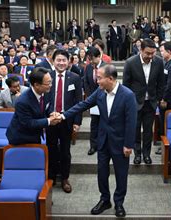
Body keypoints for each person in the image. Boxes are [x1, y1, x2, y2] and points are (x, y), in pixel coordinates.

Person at [61, 64, 137, 218]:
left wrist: (129, 144)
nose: (97, 81)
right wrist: (63, 116)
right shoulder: (100, 92)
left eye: (100, 78)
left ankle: (119, 203)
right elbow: (83, 104)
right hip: (102, 140)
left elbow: (131, 122)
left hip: (120, 142)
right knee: (102, 173)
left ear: (110, 78)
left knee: (121, 174)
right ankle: (105, 200)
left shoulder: (128, 95)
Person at [45, 50, 83, 193]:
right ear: (53, 61)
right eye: (58, 60)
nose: (61, 63)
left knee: (66, 151)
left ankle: (65, 178)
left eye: (64, 60)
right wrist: (45, 118)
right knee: (51, 149)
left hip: (67, 119)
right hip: (50, 119)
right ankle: (52, 176)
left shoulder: (75, 77)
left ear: (69, 62)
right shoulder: (46, 76)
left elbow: (79, 101)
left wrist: (77, 122)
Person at [123, 38, 165, 164]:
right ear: (140, 50)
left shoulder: (158, 62)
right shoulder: (130, 62)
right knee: (135, 130)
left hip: (150, 102)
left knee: (148, 131)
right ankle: (137, 155)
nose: (150, 56)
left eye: (153, 53)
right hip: (135, 103)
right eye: (147, 53)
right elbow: (126, 85)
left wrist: (157, 98)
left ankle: (147, 154)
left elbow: (161, 83)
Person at [6, 67, 62, 145]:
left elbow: (48, 107)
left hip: (36, 134)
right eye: (48, 83)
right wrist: (49, 121)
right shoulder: (22, 101)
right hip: (21, 138)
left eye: (51, 82)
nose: (51, 85)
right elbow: (28, 123)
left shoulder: (47, 92)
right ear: (36, 85)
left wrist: (52, 113)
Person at [83, 47, 106, 155]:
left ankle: (104, 145)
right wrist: (90, 95)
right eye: (89, 59)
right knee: (94, 124)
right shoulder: (88, 67)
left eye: (92, 59)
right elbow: (86, 82)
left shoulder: (107, 67)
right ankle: (93, 146)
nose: (91, 61)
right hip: (93, 99)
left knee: (104, 122)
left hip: (105, 99)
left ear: (98, 56)